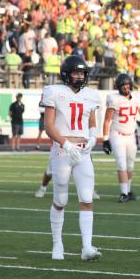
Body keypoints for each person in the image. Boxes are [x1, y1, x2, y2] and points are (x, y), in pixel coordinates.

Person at [41, 55, 102, 261]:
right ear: (67, 73)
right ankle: (57, 244)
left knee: (86, 198)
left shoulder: (91, 95)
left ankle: (86, 247)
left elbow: (92, 120)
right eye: (76, 72)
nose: (80, 76)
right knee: (61, 199)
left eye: (82, 72)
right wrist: (65, 143)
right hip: (62, 150)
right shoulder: (54, 91)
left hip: (84, 151)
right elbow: (49, 126)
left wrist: (93, 137)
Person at [102, 73, 140, 202]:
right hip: (117, 135)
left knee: (130, 165)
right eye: (123, 86)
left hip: (131, 136)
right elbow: (107, 121)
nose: (126, 88)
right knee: (121, 164)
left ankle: (128, 190)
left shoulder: (136, 98)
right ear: (118, 87)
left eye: (128, 86)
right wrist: (105, 140)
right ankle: (123, 193)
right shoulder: (114, 99)